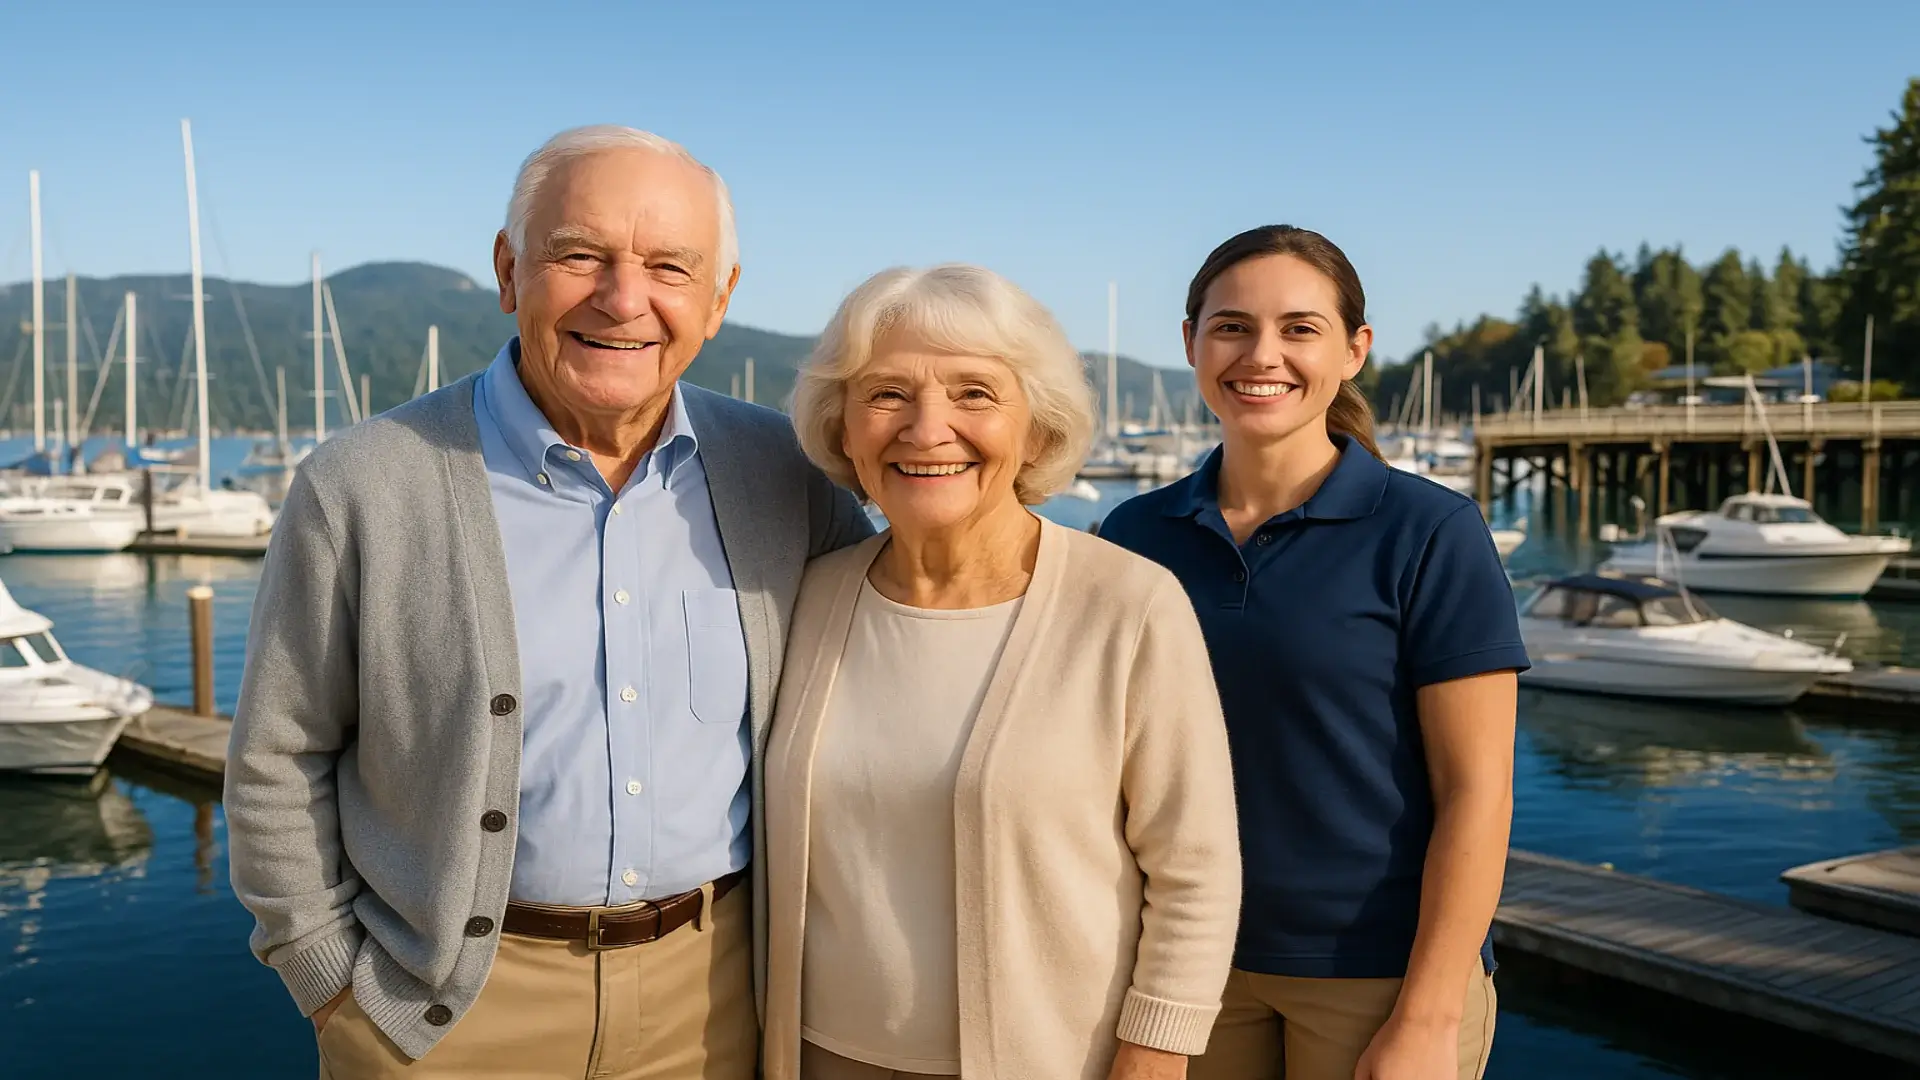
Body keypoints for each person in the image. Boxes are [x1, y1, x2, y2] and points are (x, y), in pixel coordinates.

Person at [224, 125, 873, 1080]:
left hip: (719, 1000)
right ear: (508, 269)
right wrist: (331, 986)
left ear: (721, 299)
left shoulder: (785, 473)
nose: (623, 299)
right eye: (580, 255)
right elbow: (278, 756)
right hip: (445, 1015)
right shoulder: (363, 482)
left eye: (669, 267)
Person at [756, 264, 1242, 1080]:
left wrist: (1156, 1053)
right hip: (818, 1059)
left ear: (1038, 431)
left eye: (975, 393)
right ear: (842, 428)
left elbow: (1196, 868)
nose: (926, 427)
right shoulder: (809, 597)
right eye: (887, 395)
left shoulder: (1127, 605)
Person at [1099, 225, 1529, 1080]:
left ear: (1354, 351)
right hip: (1185, 968)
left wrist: (1430, 1017)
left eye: (1300, 329)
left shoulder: (1430, 532)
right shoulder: (1132, 534)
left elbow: (1477, 793)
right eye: (1232, 326)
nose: (1263, 354)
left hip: (1376, 975)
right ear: (1190, 343)